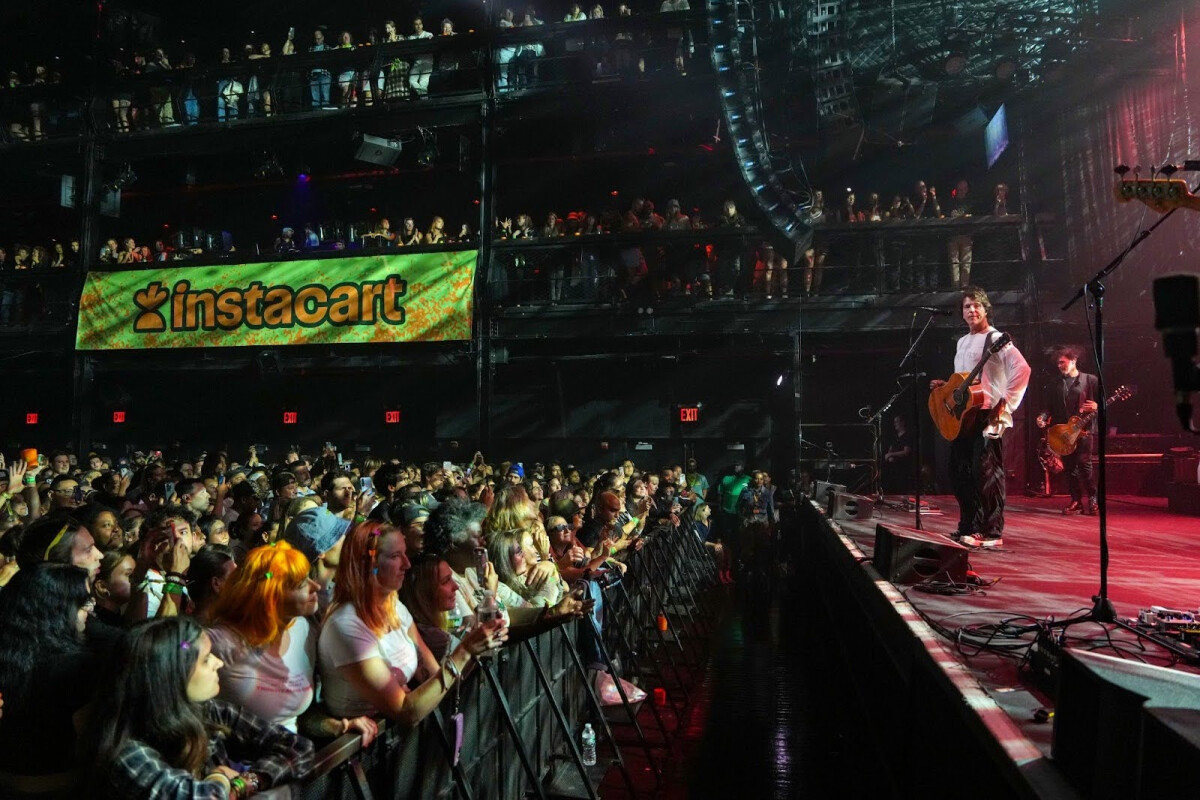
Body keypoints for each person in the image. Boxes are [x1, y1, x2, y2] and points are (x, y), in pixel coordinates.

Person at [82, 616, 314, 798]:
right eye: (205, 659)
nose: (218, 663)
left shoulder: (207, 711)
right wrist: (220, 778)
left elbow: (299, 747)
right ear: (169, 677)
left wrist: (247, 782)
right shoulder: (126, 753)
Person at [317, 521, 508, 727]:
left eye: (405, 554)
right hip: (368, 745)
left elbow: (437, 679)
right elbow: (406, 711)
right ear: (369, 564)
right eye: (395, 556)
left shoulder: (395, 608)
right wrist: (465, 650)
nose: (407, 564)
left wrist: (476, 647)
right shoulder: (346, 625)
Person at [929, 286, 1030, 547]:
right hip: (965, 415)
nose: (972, 310)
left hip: (987, 414)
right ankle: (969, 525)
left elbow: (1022, 369)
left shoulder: (995, 338)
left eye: (977, 305)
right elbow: (964, 379)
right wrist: (947, 387)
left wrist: (1005, 403)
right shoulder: (962, 341)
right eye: (967, 306)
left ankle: (992, 531)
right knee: (959, 472)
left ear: (986, 309)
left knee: (986, 474)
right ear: (962, 312)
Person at [0, 564, 97, 787]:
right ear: (58, 608)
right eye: (83, 603)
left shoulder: (7, 651)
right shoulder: (78, 666)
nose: (90, 610)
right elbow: (90, 740)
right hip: (57, 785)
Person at [1036, 345, 1099, 515]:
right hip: (1063, 433)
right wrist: (1042, 417)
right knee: (1070, 467)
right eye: (1058, 363)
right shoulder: (1055, 383)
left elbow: (1102, 402)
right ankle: (1076, 501)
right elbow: (1048, 407)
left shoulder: (1090, 380)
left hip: (1083, 430)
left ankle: (1093, 499)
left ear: (1073, 361)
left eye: (1062, 362)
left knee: (1084, 464)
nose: (1059, 366)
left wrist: (1097, 405)